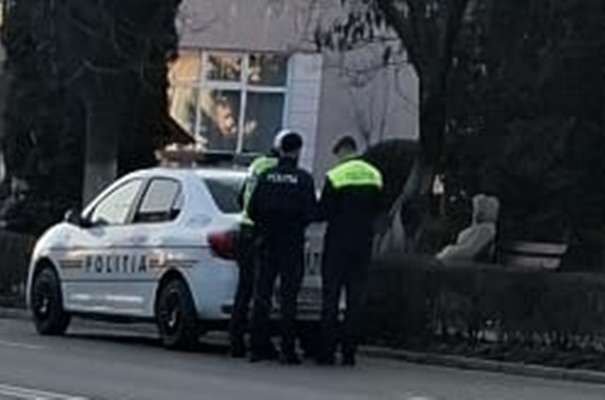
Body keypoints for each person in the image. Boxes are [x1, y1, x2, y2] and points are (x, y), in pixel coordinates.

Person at [248, 130, 317, 364]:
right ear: (297, 151)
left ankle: (256, 348)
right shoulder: (304, 179)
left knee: (262, 296)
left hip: (266, 243)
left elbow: (252, 210)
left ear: (280, 150)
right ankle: (287, 350)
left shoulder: (266, 176)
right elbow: (311, 213)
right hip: (291, 245)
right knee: (289, 299)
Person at [317, 136, 383, 366]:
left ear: (343, 151)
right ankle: (349, 353)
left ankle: (327, 352)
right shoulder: (374, 175)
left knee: (331, 298)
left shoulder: (336, 175)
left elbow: (323, 211)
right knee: (355, 299)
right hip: (363, 243)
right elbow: (378, 209)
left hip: (337, 243)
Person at [229, 144, 280, 358]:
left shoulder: (256, 165)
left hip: (244, 230)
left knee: (244, 290)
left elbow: (242, 198)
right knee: (262, 292)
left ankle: (236, 342)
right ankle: (259, 342)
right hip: (263, 233)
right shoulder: (277, 169)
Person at [436, 194, 500, 263]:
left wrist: (448, 252)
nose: (475, 212)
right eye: (475, 208)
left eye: (479, 208)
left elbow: (469, 251)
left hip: (466, 264)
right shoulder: (478, 228)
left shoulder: (485, 229)